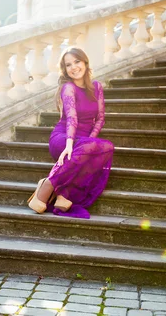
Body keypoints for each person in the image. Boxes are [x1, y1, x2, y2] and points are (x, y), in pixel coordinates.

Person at [27, 47, 114, 219]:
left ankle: (65, 192)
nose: (73, 67)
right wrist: (69, 145)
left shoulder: (97, 87)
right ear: (65, 69)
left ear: (85, 62)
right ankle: (50, 183)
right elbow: (72, 118)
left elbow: (100, 118)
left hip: (83, 141)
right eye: (68, 65)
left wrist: (90, 144)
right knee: (93, 148)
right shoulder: (68, 88)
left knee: (107, 148)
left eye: (77, 62)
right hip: (63, 138)